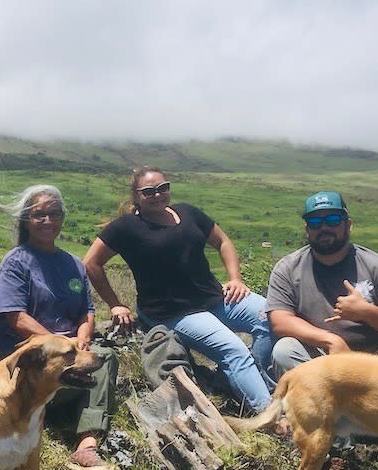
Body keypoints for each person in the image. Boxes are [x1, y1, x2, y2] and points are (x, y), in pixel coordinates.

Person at [265, 190, 378, 470]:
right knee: (284, 350)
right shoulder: (289, 268)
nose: (324, 227)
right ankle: (333, 455)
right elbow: (278, 320)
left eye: (332, 219)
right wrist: (330, 340)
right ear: (307, 228)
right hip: (325, 361)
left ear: (348, 224)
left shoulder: (376, 266)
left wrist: (366, 312)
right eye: (315, 221)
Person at [84, 166, 275, 414]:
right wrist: (115, 304)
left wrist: (235, 278)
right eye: (149, 191)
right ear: (136, 196)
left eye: (163, 188)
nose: (157, 195)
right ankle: (269, 414)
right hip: (173, 311)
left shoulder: (187, 212)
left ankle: (254, 383)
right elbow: (91, 262)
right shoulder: (127, 226)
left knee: (272, 316)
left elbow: (222, 241)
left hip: (215, 298)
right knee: (233, 349)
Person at [0, 185, 117, 470]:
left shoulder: (72, 263)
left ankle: (86, 444)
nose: (47, 220)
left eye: (54, 214)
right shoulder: (16, 262)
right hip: (31, 363)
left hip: (67, 357)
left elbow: (87, 310)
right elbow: (13, 317)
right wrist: (59, 345)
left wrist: (83, 337)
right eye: (39, 214)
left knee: (105, 356)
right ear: (26, 220)